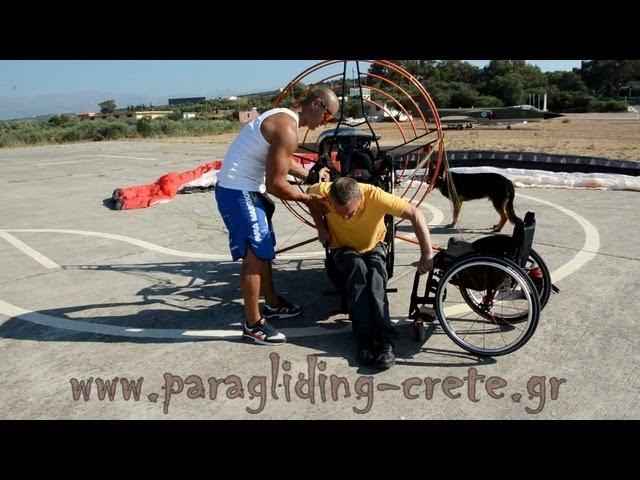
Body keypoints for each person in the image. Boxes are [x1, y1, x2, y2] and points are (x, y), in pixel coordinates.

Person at [215, 86, 339, 345]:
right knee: (254, 257)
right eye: (328, 117)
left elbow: (281, 158)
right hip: (239, 192)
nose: (326, 123)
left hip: (248, 188)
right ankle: (253, 324)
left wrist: (312, 175)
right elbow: (277, 185)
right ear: (316, 104)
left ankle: (271, 302)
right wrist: (309, 198)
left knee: (265, 249)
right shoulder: (287, 128)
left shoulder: (284, 117)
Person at [307, 177, 436, 369]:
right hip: (343, 248)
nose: (344, 218)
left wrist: (427, 253)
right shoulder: (323, 191)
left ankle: (385, 341)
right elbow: (309, 198)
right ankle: (364, 338)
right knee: (357, 270)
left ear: (360, 198)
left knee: (375, 275)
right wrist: (321, 226)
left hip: (374, 246)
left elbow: (415, 214)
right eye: (339, 213)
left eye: (349, 214)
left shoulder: (375, 196)